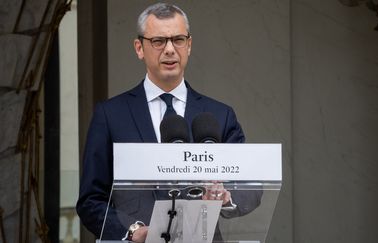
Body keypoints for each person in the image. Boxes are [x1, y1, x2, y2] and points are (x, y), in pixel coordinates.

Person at [76, 3, 262, 242]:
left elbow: (251, 187)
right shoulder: (110, 115)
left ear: (189, 45)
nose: (170, 50)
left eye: (178, 40)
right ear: (139, 48)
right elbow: (90, 200)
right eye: (158, 41)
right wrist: (131, 232)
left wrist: (226, 197)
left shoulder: (219, 115)